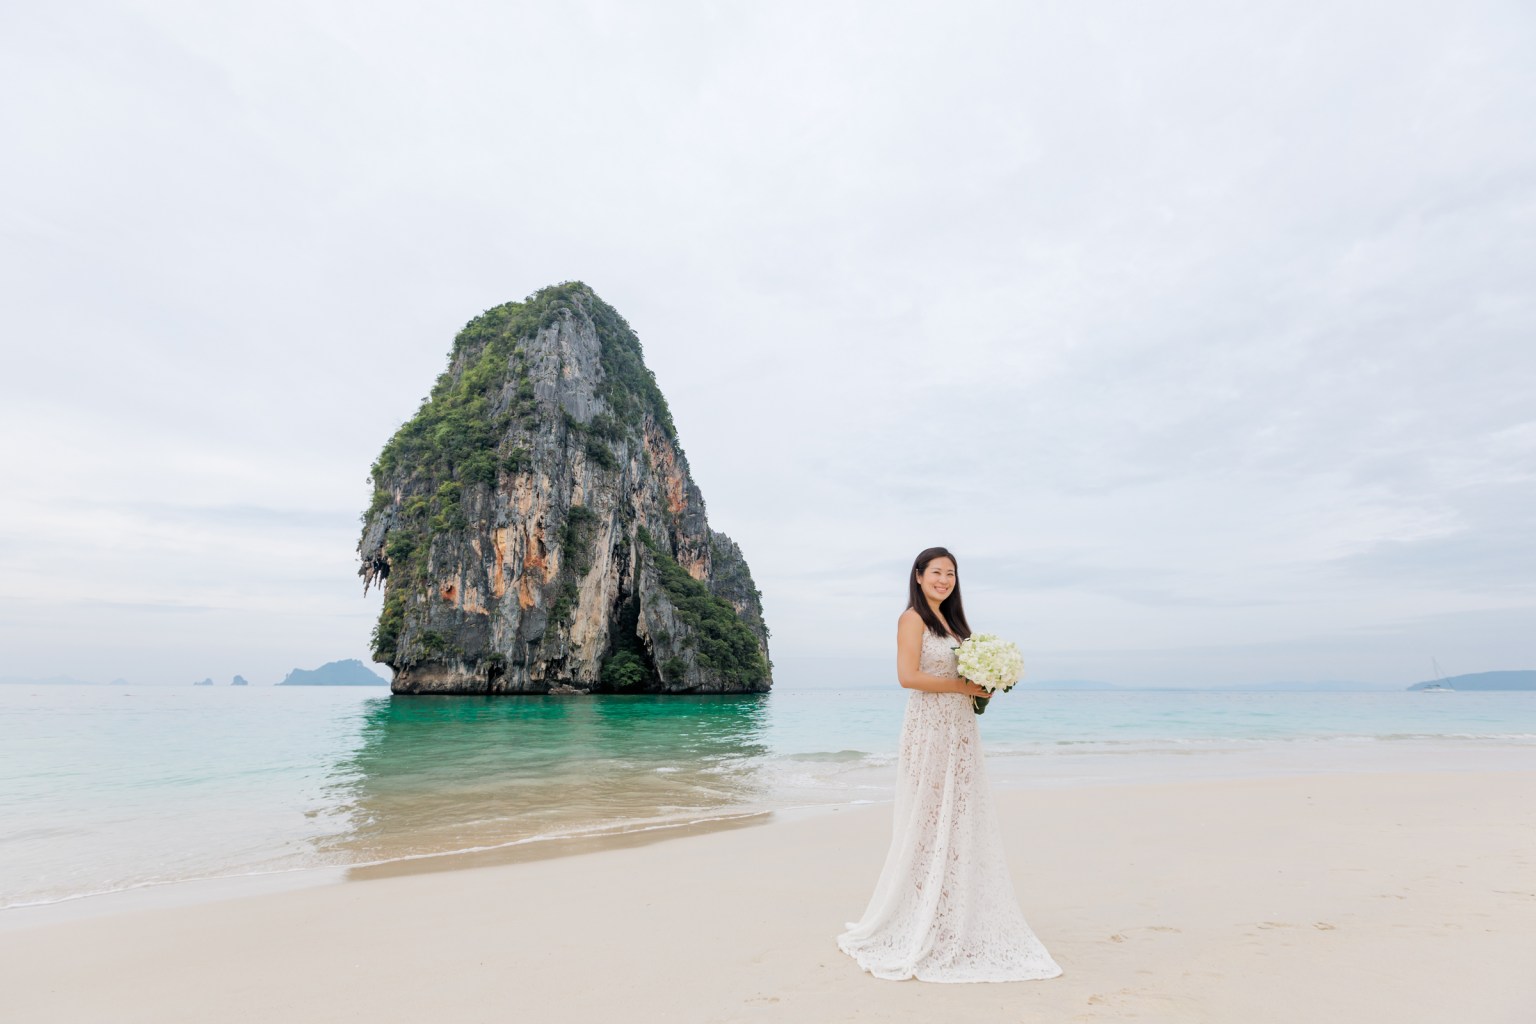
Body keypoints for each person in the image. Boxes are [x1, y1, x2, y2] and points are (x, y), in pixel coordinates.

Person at [836, 546, 1063, 983]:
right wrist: (963, 685)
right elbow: (908, 677)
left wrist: (986, 684)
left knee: (958, 817)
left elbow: (966, 676)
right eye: (936, 572)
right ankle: (920, 914)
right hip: (929, 727)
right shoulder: (913, 618)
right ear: (918, 576)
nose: (944, 580)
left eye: (951, 574)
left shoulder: (955, 623)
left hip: (960, 729)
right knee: (928, 817)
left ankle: (953, 910)